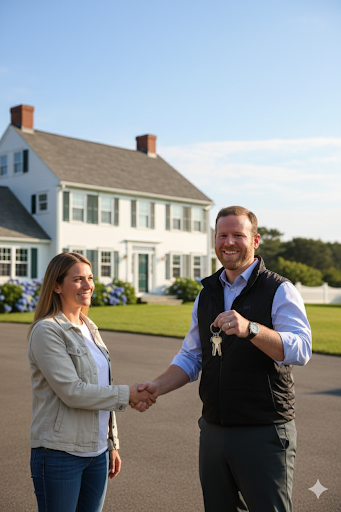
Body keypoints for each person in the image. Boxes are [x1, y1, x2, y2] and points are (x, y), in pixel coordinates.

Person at [133, 206, 312, 512]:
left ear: (255, 241)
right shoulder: (207, 294)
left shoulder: (280, 290)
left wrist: (251, 329)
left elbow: (301, 349)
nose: (228, 242)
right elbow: (192, 356)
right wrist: (156, 386)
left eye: (238, 235)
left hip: (264, 431)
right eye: (222, 235)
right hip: (213, 430)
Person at [28, 252, 156, 512]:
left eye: (90, 278)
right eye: (77, 279)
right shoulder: (47, 330)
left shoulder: (89, 326)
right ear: (56, 285)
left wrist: (111, 443)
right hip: (59, 453)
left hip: (96, 453)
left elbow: (102, 386)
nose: (88, 286)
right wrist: (129, 394)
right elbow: (73, 392)